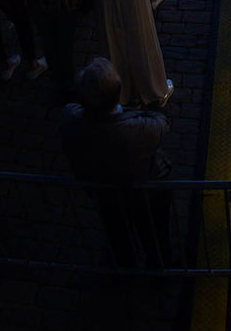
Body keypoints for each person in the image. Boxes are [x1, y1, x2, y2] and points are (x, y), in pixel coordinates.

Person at [59, 57, 173, 268]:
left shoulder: (70, 122)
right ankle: (158, 268)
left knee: (117, 232)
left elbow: (70, 110)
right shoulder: (139, 130)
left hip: (104, 191)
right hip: (145, 191)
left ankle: (125, 267)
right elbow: (161, 123)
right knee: (154, 235)